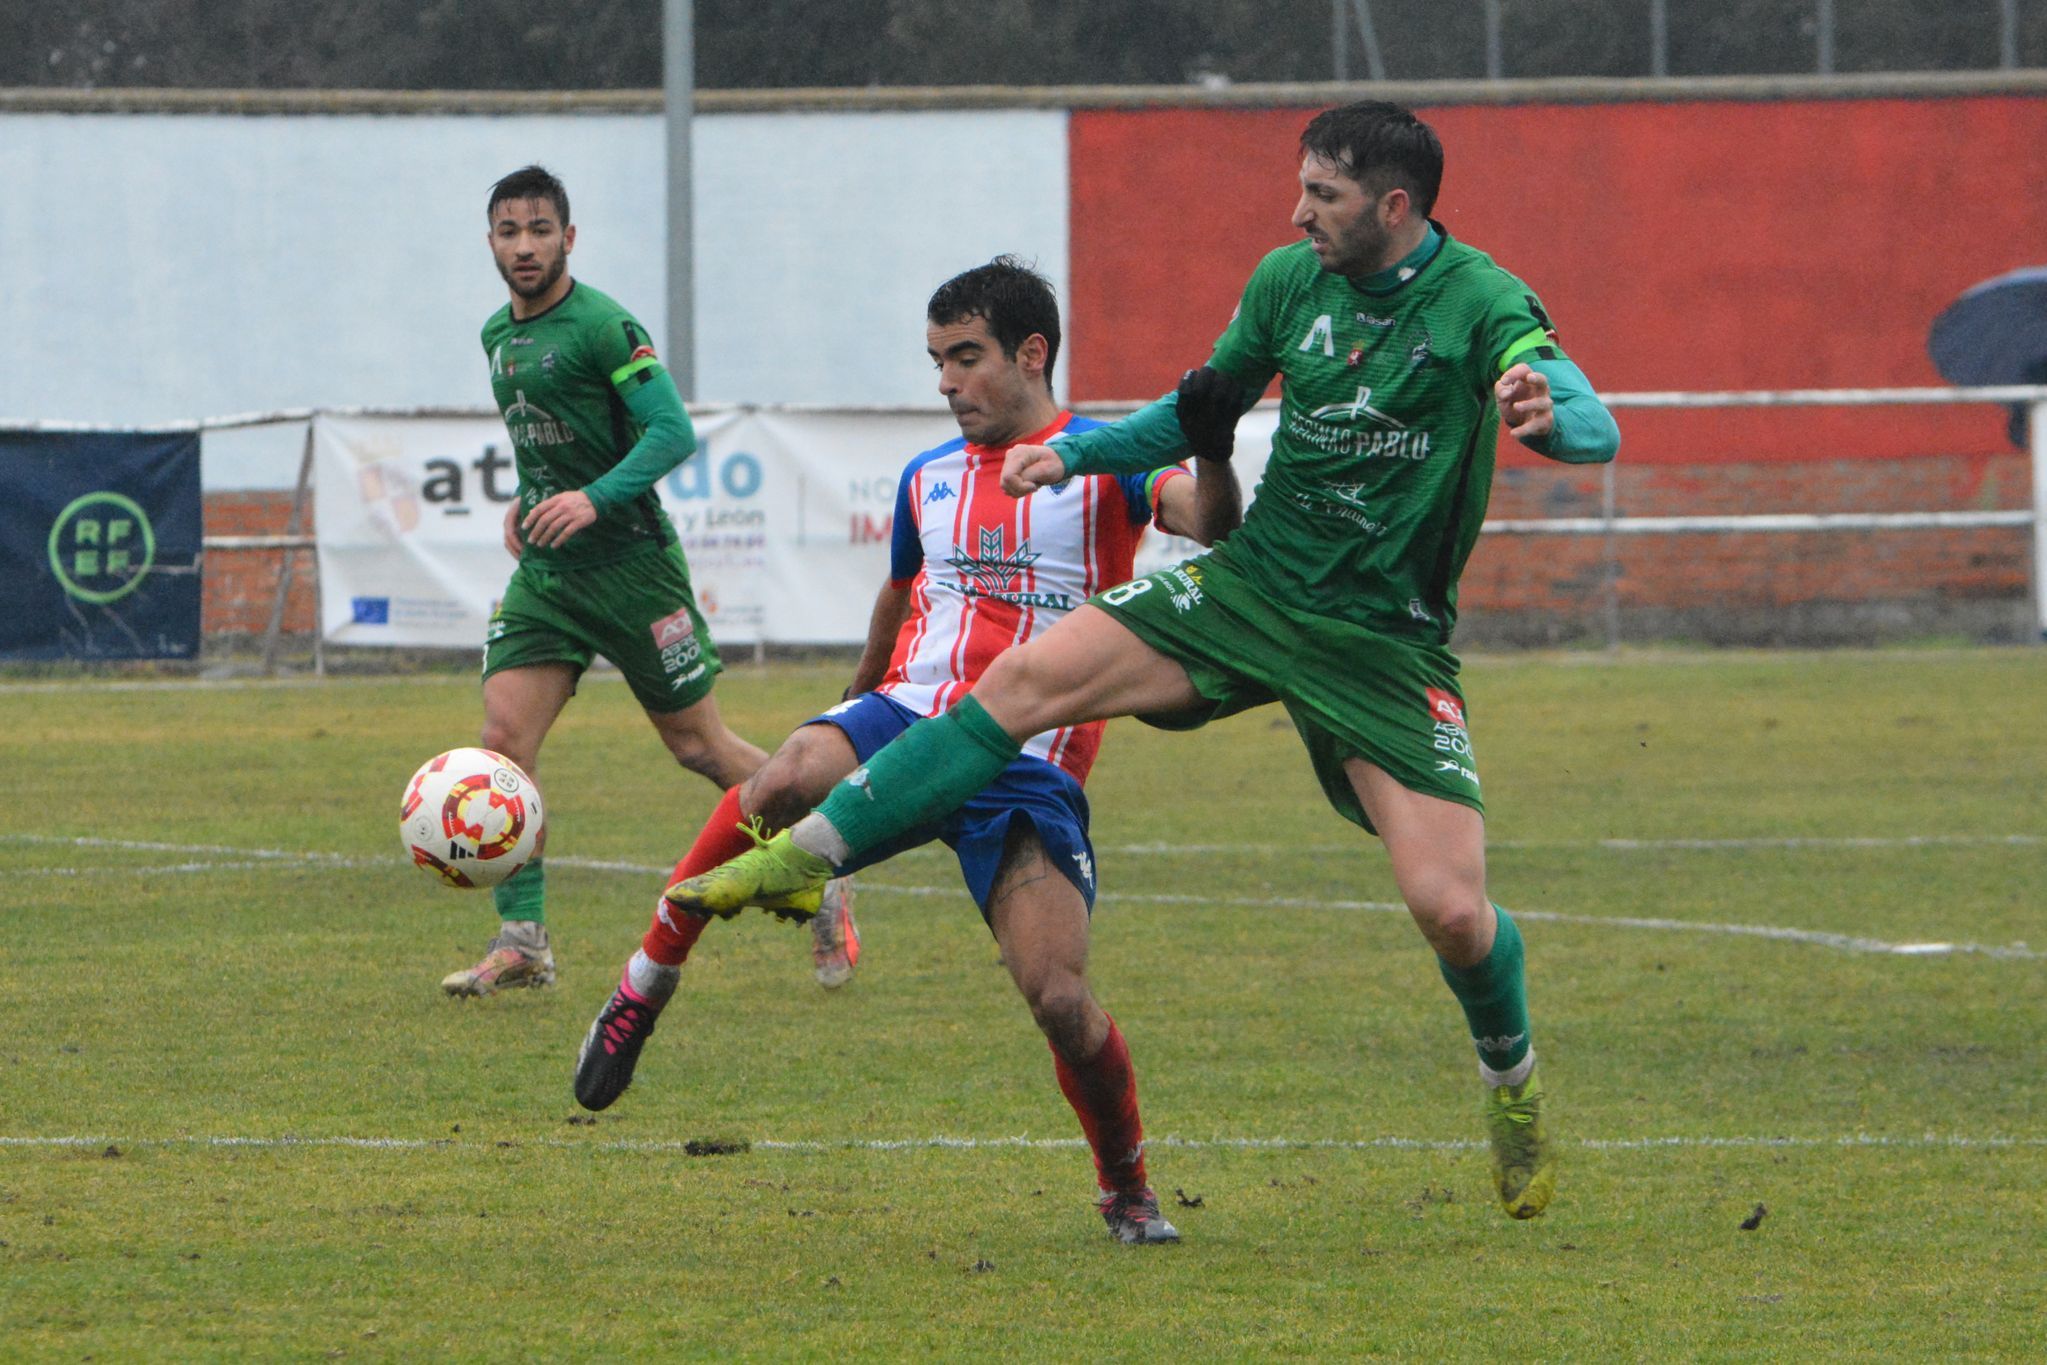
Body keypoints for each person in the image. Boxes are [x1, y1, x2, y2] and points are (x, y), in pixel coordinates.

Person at [662, 103, 1621, 1222]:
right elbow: (1196, 410)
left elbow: (1586, 419)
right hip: (1251, 586)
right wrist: (1072, 452)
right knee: (1019, 683)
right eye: (1299, 188)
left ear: (1394, 207)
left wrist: (1546, 413)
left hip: (1381, 640)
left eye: (1322, 195)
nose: (1296, 211)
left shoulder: (1481, 300)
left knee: (1451, 911)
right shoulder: (1285, 282)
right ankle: (807, 855)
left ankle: (1510, 1092)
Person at [572, 256, 1241, 1245]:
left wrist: (1215, 448)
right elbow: (899, 592)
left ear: (1030, 352)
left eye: (964, 358)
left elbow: (1213, 522)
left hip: (1025, 763)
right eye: (934, 361)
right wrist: (850, 704)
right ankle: (643, 984)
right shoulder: (926, 477)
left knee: (1059, 998)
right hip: (907, 716)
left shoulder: (1109, 457)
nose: (944, 382)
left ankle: (1126, 1184)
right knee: (785, 776)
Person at [447, 164, 855, 996]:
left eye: (539, 229)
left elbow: (671, 433)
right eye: (508, 231)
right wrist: (529, 508)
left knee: (698, 746)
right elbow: (547, 451)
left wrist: (594, 500)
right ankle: (523, 941)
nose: (524, 246)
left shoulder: (604, 325)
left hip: (633, 570)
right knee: (501, 748)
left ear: (569, 236)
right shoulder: (496, 334)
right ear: (489, 240)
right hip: (549, 578)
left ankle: (829, 857)